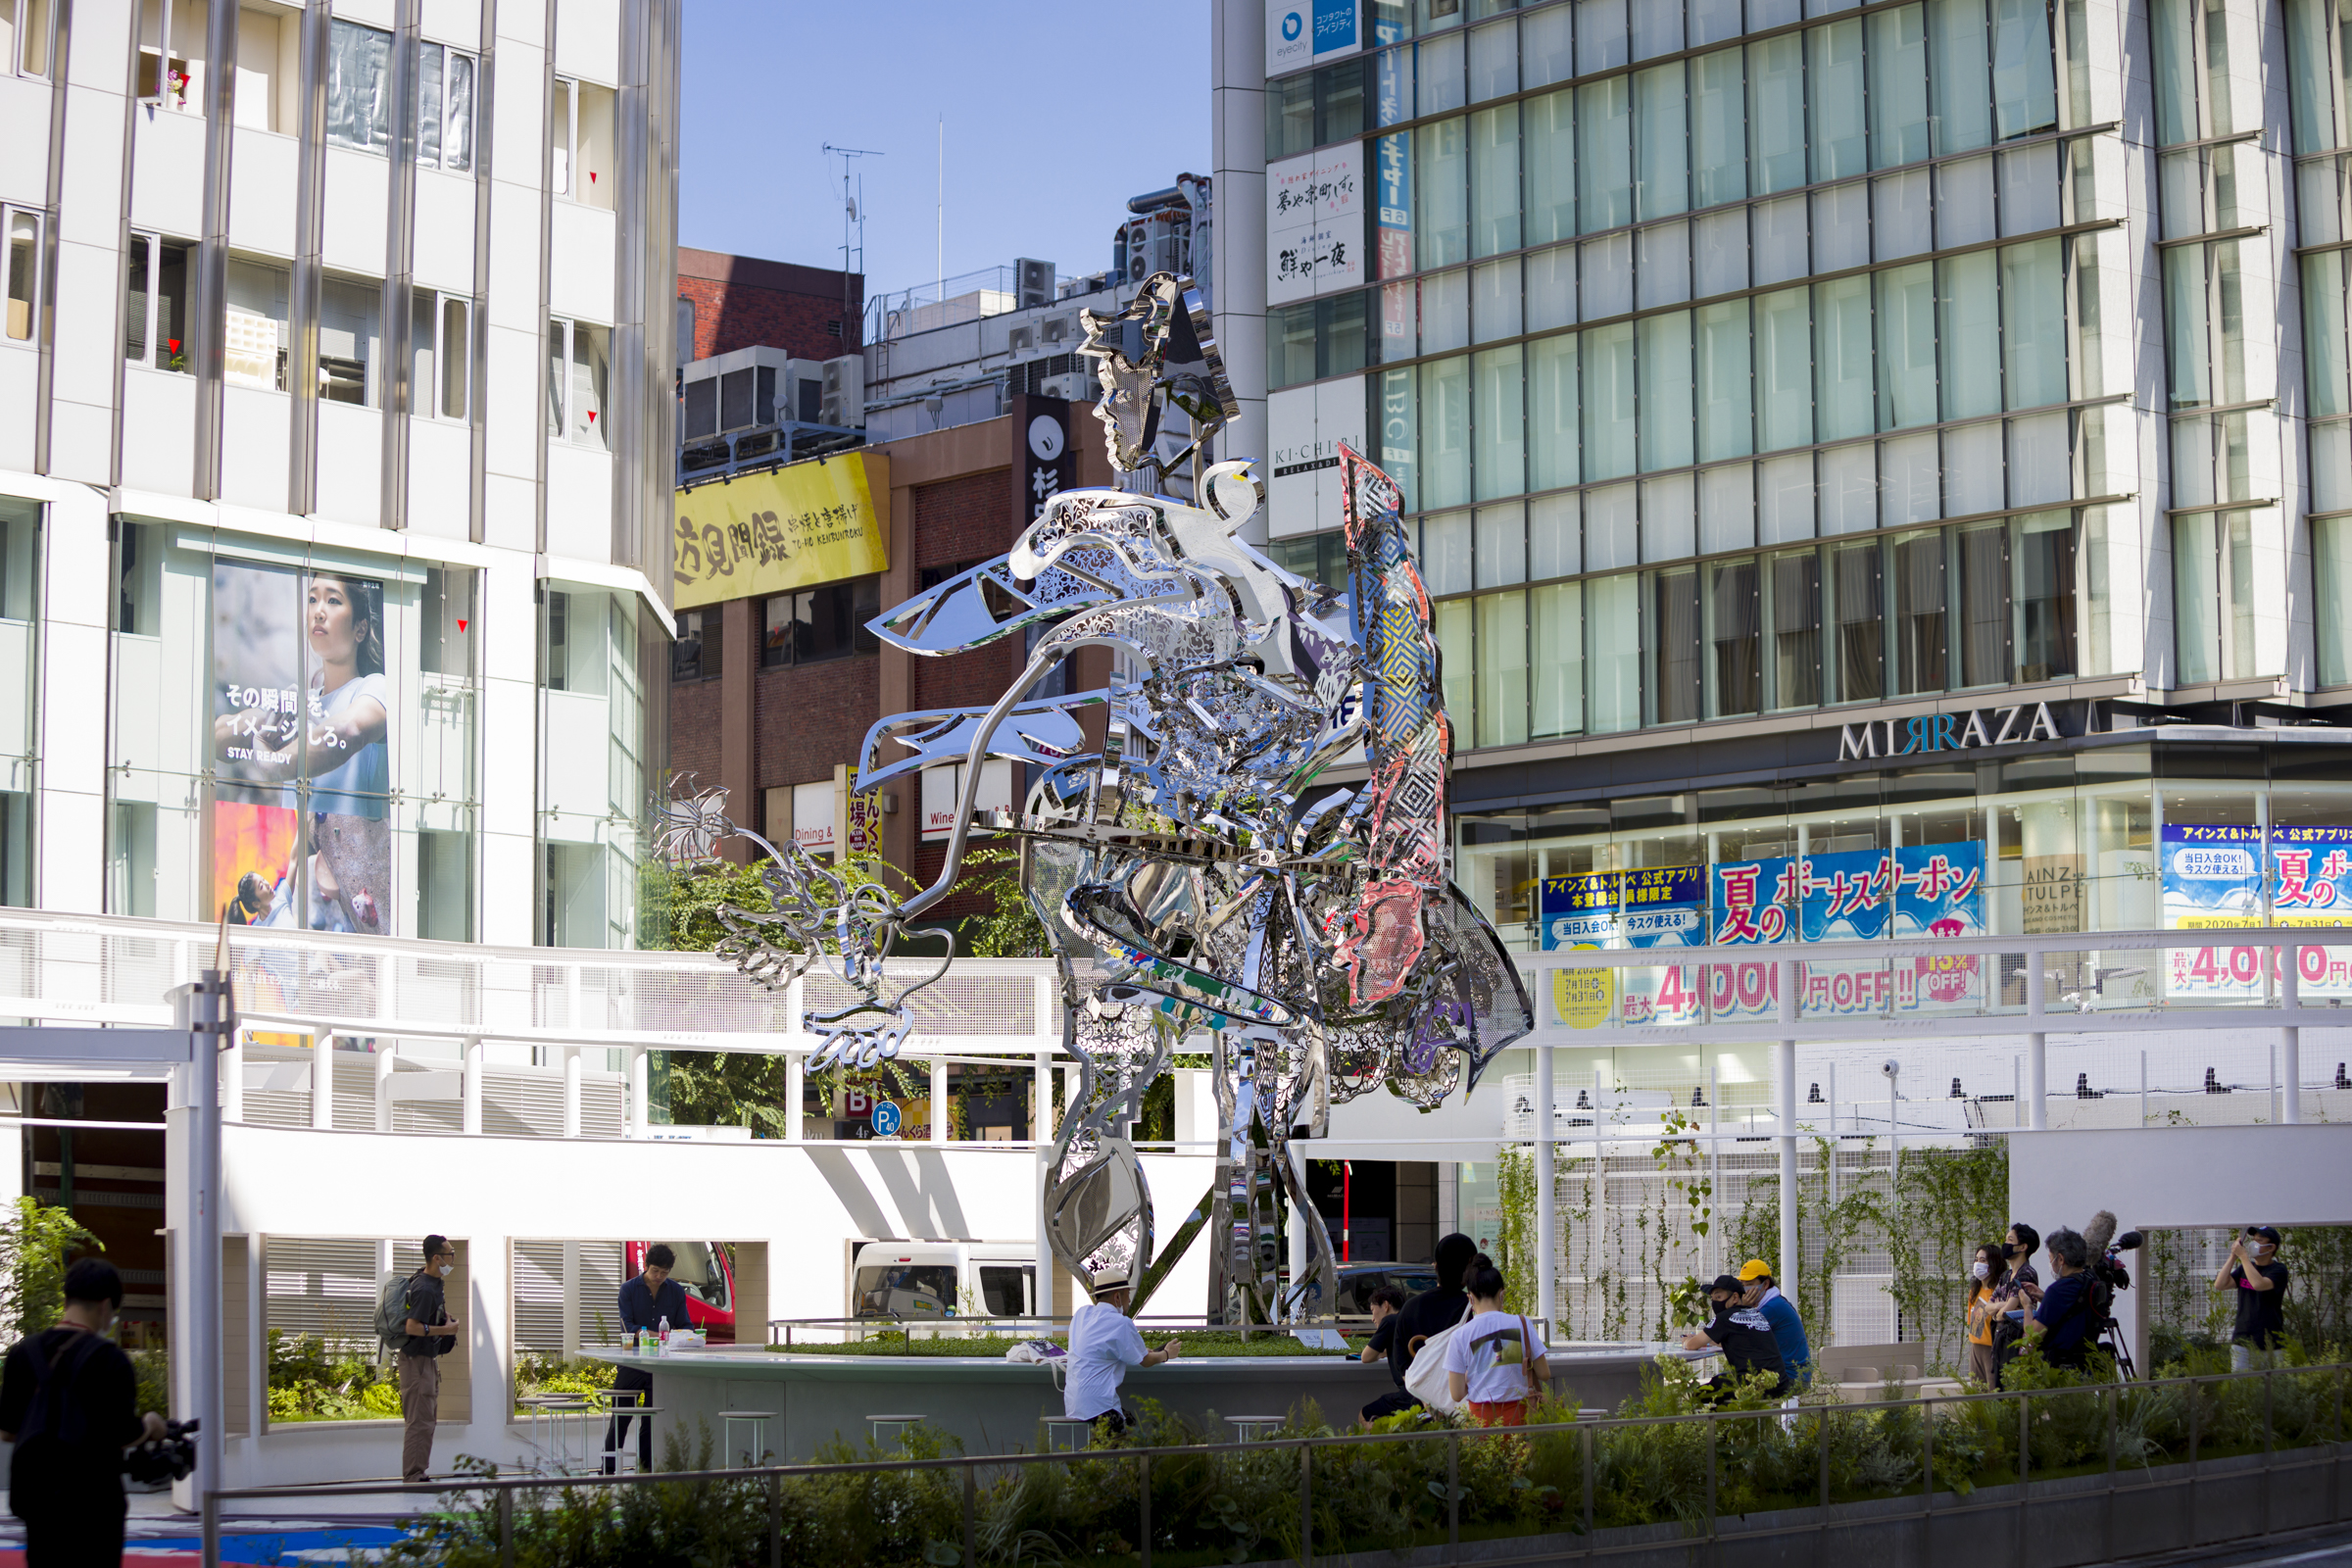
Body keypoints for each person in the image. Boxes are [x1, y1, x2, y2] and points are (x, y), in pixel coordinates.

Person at [0, 1258, 168, 1568]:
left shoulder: (23, 1353)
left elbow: (9, 1431)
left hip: (38, 1501)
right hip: (94, 1503)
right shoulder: (110, 1360)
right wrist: (151, 1425)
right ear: (106, 1306)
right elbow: (123, 1434)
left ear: (66, 1300)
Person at [604, 1244, 691, 1473]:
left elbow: (685, 1326)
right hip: (632, 1362)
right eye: (655, 1271)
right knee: (620, 1418)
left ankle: (645, 1470)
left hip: (661, 1365)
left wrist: (681, 1336)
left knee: (651, 1421)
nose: (659, 1277)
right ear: (645, 1266)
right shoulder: (628, 1290)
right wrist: (662, 1335)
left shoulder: (675, 1291)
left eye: (664, 1272)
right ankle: (608, 1469)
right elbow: (628, 1327)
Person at [1062, 1270, 1180, 1435]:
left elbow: (1099, 1348)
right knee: (1123, 1446)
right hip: (1099, 1406)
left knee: (1129, 1421)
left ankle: (1092, 1456)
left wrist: (1137, 1350)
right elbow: (1145, 1361)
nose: (1129, 1300)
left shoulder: (1081, 1314)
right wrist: (1167, 1354)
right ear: (1117, 1297)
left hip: (1074, 1404)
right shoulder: (1121, 1323)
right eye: (1127, 1295)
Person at [1443, 1253, 1548, 1427]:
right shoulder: (1522, 1323)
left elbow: (1456, 1394)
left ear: (1470, 1298)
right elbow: (1544, 1374)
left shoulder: (1460, 1335)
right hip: (1521, 1417)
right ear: (1502, 1294)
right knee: (1523, 1453)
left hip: (1481, 1419)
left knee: (1486, 1454)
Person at [398, 1236, 461, 1483]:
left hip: (426, 1360)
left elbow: (426, 1316)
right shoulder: (424, 1287)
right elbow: (412, 1327)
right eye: (450, 1254)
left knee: (426, 1419)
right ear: (436, 1258)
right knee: (419, 1421)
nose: (452, 1258)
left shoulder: (432, 1283)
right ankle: (414, 1476)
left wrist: (444, 1319)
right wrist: (446, 1330)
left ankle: (418, 1472)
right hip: (416, 1362)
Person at [1388, 1232, 1477, 1401]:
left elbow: (1402, 1364)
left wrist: (1428, 1398)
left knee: (1367, 1416)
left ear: (1436, 1266)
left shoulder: (1411, 1308)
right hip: (1465, 1404)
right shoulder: (1473, 1309)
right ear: (1469, 1268)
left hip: (1417, 1401)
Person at [1681, 1273, 1788, 1401]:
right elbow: (1743, 1341)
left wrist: (1686, 1340)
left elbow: (1691, 1345)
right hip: (1778, 1383)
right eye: (1713, 1298)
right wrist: (1711, 1341)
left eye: (1719, 1297)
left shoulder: (1725, 1317)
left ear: (1735, 1297)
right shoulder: (1756, 1314)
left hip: (1752, 1383)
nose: (1715, 1302)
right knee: (1720, 1382)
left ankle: (1711, 1421)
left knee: (1694, 1395)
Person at [2212, 1225, 2289, 1370]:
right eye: (2253, 1240)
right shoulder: (2244, 1268)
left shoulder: (2278, 1270)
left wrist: (2243, 1257)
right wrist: (2233, 1256)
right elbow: (2220, 1285)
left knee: (2273, 1389)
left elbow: (2258, 1284)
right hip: (2243, 1340)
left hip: (2271, 1342)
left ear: (2270, 1247)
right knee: (2241, 1387)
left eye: (2259, 1241)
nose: (2253, 1244)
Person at [2025, 1228, 2098, 1370]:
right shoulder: (2090, 1280)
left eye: (2050, 1258)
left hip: (2060, 1368)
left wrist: (2027, 1305)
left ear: (2060, 1259)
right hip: (2086, 1364)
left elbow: (2032, 1337)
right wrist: (2046, 1298)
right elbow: (2075, 1308)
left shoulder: (2057, 1290)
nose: (2050, 1263)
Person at [1734, 1258, 1812, 1388]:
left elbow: (1738, 1337)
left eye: (1749, 1284)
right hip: (1788, 1374)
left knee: (1729, 1386)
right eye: (1742, 1284)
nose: (1745, 1289)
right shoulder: (1773, 1302)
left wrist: (1743, 1307)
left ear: (1765, 1284)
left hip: (1791, 1378)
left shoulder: (1772, 1308)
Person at [1357, 1285, 1416, 1426]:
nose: (1372, 1318)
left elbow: (1366, 1357)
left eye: (1373, 1311)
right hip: (1424, 1392)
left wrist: (1378, 1355)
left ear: (1385, 1305)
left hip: (1408, 1394)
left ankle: (1380, 1445)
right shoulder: (1409, 1319)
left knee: (1364, 1415)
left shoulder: (1389, 1321)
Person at [1964, 1242, 2009, 1388]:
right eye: (1976, 1260)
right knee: (1977, 1391)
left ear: (1993, 1263)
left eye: (1983, 1260)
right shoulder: (1974, 1291)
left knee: (1993, 1389)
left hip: (1992, 1348)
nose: (1978, 1264)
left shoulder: (1999, 1291)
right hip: (1975, 1346)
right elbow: (1972, 1322)